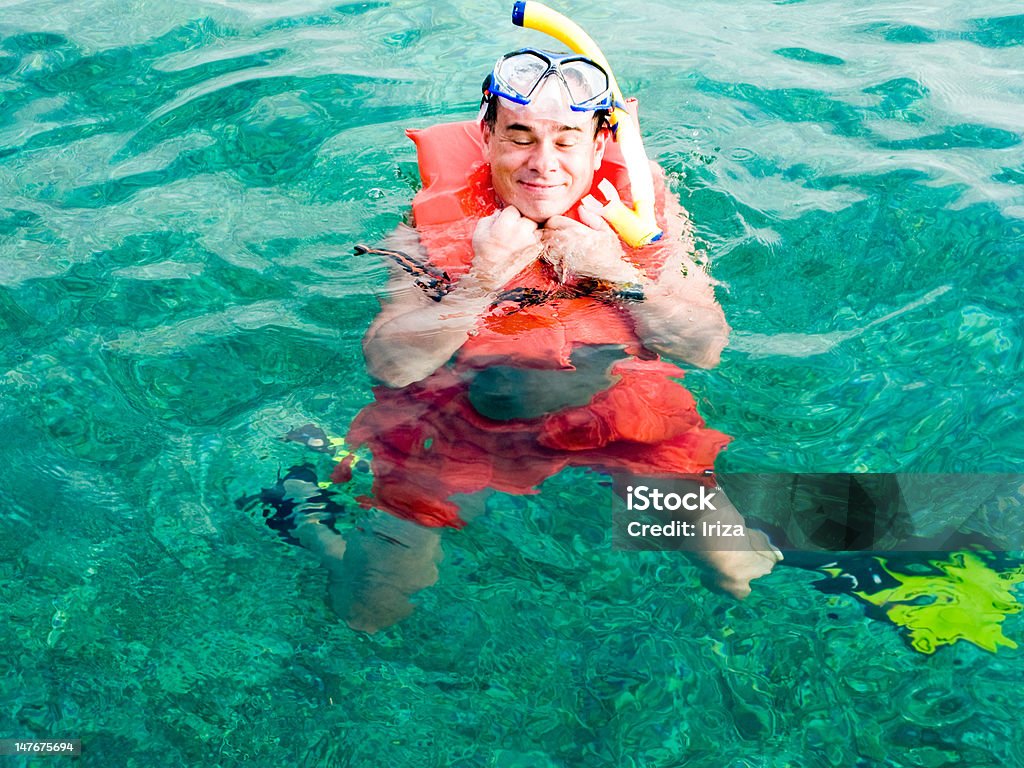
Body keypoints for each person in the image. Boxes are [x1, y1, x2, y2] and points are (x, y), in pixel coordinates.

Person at [270, 49, 781, 631]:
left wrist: (618, 277)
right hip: (458, 421)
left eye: (566, 140)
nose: (544, 163)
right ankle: (312, 527)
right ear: (486, 136)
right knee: (368, 611)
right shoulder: (430, 232)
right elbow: (392, 365)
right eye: (520, 137)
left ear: (597, 146)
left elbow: (705, 346)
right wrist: (478, 284)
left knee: (736, 569)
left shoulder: (642, 219)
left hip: (615, 409)